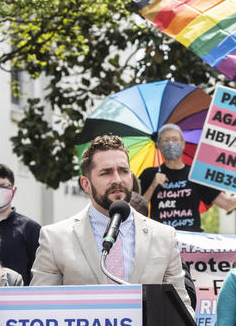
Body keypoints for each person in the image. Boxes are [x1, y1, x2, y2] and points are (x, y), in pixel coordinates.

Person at [31, 134, 193, 313]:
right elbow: (42, 311)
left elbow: (181, 312)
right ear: (86, 184)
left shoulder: (164, 236)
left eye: (123, 171)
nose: (117, 179)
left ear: (131, 178)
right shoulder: (55, 239)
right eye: (106, 172)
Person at [139, 123, 236, 231]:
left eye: (175, 139)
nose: (171, 144)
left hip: (192, 243)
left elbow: (227, 204)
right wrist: (153, 185)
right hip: (161, 242)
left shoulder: (196, 174)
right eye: (166, 140)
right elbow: (137, 210)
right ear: (159, 145)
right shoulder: (150, 174)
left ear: (183, 144)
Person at [0, 163, 40, 285]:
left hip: (18, 300)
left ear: (14, 190)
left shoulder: (31, 229)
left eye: (3, 186)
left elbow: (39, 275)